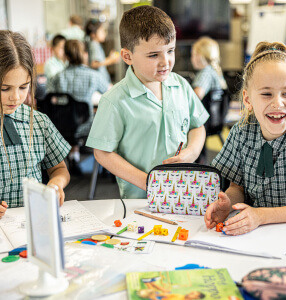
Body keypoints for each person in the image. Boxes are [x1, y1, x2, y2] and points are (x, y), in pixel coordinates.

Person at [205, 41, 286, 236]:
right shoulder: (242, 131)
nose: (277, 103)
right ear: (248, 100)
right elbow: (236, 188)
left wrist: (261, 216)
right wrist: (227, 205)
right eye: (266, 94)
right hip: (257, 234)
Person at [86, 5, 209, 199]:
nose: (166, 61)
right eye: (154, 55)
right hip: (140, 200)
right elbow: (102, 153)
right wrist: (148, 182)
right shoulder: (114, 100)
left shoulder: (181, 86)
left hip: (184, 193)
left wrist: (192, 152)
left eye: (170, 51)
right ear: (127, 56)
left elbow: (197, 126)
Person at [0, 30, 71, 216]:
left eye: (24, 87)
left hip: (33, 223)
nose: (15, 97)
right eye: (4, 88)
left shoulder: (39, 121)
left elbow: (60, 169)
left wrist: (56, 184)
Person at [47, 39, 110, 175]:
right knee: (105, 120)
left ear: (66, 56)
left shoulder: (57, 77)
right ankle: (107, 164)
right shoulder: (93, 75)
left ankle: (73, 157)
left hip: (61, 125)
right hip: (86, 125)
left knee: (70, 119)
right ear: (85, 54)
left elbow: (48, 97)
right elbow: (111, 93)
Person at [191, 36, 227, 100]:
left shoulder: (205, 73)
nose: (192, 58)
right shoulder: (215, 71)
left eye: (193, 54)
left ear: (200, 56)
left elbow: (197, 95)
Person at [85, 19, 120, 83]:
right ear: (93, 34)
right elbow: (94, 64)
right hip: (99, 82)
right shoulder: (94, 45)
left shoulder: (96, 44)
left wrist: (110, 58)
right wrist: (111, 60)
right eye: (101, 31)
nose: (104, 33)